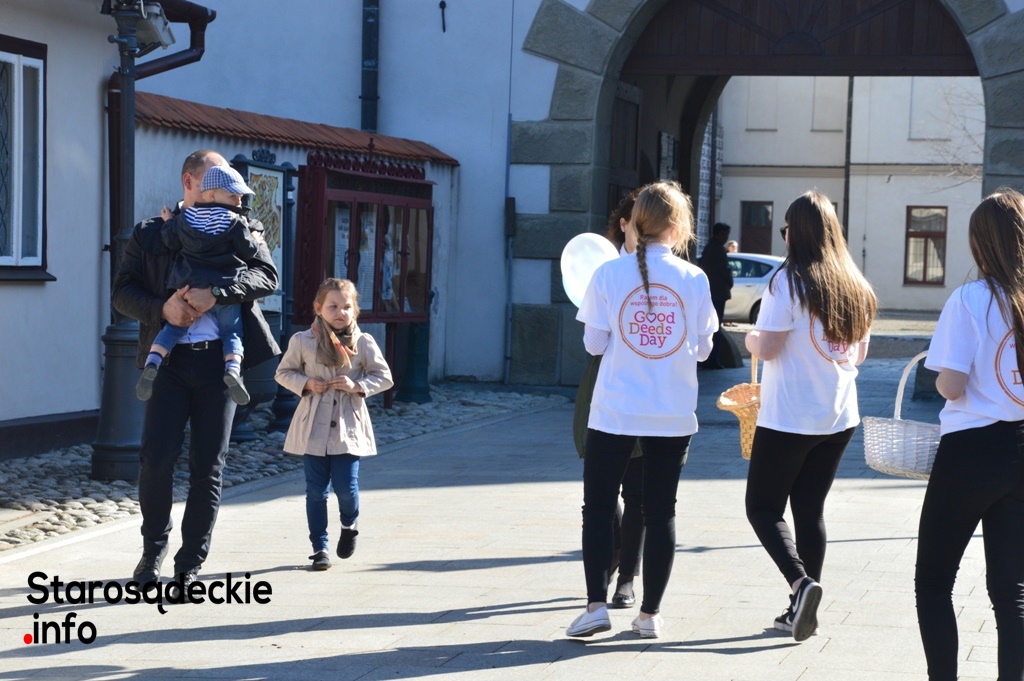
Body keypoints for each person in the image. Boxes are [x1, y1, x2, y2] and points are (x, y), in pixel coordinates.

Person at [112, 149, 280, 596]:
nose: (228, 190)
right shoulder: (152, 232)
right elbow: (122, 293)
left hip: (220, 364)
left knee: (208, 466)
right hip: (167, 362)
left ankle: (190, 563)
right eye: (215, 180)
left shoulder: (244, 225)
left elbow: (267, 276)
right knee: (155, 459)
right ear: (189, 182)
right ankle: (152, 550)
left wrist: (218, 294)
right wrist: (161, 308)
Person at [567, 181, 716, 639]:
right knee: (660, 511)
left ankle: (596, 605)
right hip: (671, 409)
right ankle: (649, 615)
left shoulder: (608, 274)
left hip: (615, 407)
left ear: (635, 224)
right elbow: (705, 350)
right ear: (678, 228)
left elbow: (594, 344)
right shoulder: (694, 279)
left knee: (598, 506)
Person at [744, 191, 876, 642]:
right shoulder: (856, 283)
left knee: (762, 508)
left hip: (791, 415)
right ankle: (802, 612)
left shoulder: (788, 281)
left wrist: (751, 339)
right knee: (809, 509)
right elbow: (858, 354)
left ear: (795, 233)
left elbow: (769, 347)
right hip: (838, 416)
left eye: (785, 228)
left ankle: (801, 586)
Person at [916, 188, 1024, 680]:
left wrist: (942, 377)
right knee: (1012, 591)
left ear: (980, 243)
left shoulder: (971, 299)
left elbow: (952, 385)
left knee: (934, 582)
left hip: (972, 449)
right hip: (1020, 447)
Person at [275, 278, 393, 571]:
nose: (341, 312)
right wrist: (306, 383)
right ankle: (320, 548)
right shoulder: (302, 340)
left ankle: (349, 525)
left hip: (347, 425)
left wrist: (357, 386)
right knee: (315, 491)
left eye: (347, 307)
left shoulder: (363, 342)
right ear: (318, 308)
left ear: (355, 310)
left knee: (346, 489)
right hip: (313, 425)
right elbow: (283, 372)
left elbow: (383, 376)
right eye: (333, 306)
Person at [571, 189, 647, 610]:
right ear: (623, 225)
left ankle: (628, 579)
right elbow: (594, 343)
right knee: (602, 489)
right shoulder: (605, 271)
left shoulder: (670, 273)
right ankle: (615, 551)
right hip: (604, 383)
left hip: (649, 390)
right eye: (638, 223)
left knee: (638, 491)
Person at [135, 164, 263, 406]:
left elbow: (171, 241)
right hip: (223, 287)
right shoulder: (235, 221)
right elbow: (248, 251)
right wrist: (255, 238)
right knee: (232, 332)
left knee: (172, 329)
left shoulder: (187, 218)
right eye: (233, 195)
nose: (239, 200)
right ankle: (233, 369)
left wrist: (169, 221)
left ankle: (152, 362)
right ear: (211, 194)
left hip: (187, 288)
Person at [698, 222, 734, 369]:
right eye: (724, 234)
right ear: (718, 234)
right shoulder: (717, 250)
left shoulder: (709, 248)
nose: (726, 237)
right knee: (715, 327)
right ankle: (712, 359)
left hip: (712, 292)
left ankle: (709, 359)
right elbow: (724, 271)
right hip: (717, 293)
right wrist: (729, 282)